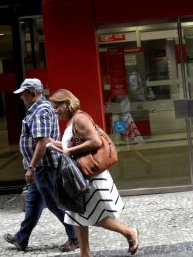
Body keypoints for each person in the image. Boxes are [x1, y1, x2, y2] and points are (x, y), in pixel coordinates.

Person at [49, 89, 140, 256]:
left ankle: (129, 232)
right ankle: (85, 253)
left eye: (57, 107)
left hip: (91, 176)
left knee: (93, 216)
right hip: (83, 175)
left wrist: (69, 151)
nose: (55, 111)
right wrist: (54, 144)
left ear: (67, 103)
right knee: (77, 214)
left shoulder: (80, 118)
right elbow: (72, 145)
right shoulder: (72, 120)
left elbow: (95, 141)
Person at [3, 78, 78, 252]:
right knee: (33, 203)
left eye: (23, 94)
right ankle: (22, 238)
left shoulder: (41, 111)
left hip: (44, 167)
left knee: (55, 203)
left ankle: (75, 237)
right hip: (41, 167)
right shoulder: (36, 109)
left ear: (33, 94)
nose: (21, 98)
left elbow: (43, 141)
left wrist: (31, 167)